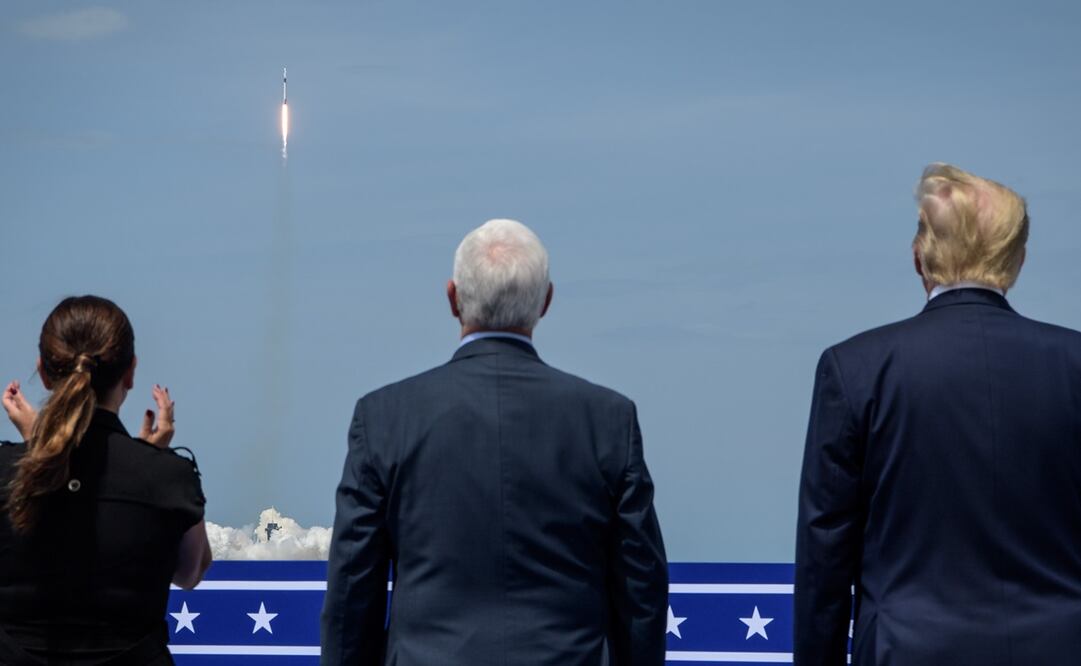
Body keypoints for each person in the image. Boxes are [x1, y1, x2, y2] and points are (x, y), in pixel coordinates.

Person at [321, 219, 668, 665]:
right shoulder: (608, 419)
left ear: (453, 299)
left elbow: (353, 588)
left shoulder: (384, 417)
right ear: (545, 301)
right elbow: (642, 589)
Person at [794, 164, 1081, 664]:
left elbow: (826, 556)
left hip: (904, 651)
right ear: (1017, 260)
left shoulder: (855, 368)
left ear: (918, 256)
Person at [0, 295, 211, 665]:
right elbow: (190, 572)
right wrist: (151, 463)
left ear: (44, 372)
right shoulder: (166, 476)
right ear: (130, 372)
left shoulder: (6, 471)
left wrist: (36, 445)